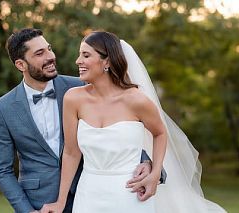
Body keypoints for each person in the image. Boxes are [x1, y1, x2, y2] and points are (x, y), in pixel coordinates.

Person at [41, 31, 227, 213]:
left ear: (107, 61)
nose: (78, 61)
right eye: (80, 54)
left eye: (86, 55)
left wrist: (154, 173)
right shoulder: (73, 99)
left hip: (130, 193)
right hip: (88, 193)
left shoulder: (136, 100)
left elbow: (160, 132)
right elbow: (72, 152)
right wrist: (60, 201)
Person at [0, 28, 163, 213]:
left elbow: (119, 131)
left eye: (49, 48)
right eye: (40, 53)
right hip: (41, 202)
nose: (51, 56)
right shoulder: (4, 108)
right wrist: (26, 210)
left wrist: (148, 164)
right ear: (20, 64)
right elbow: (2, 170)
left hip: (90, 190)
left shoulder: (83, 86)